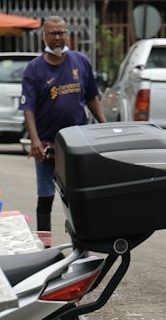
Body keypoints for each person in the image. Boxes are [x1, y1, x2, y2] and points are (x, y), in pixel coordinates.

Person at [20, 16, 104, 245]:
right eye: (52, 33)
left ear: (67, 34)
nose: (57, 37)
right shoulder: (34, 69)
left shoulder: (81, 62)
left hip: (78, 145)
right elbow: (28, 108)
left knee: (78, 199)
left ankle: (83, 245)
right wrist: (35, 140)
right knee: (45, 198)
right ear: (43, 36)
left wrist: (105, 126)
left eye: (61, 32)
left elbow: (91, 99)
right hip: (48, 146)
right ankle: (45, 247)